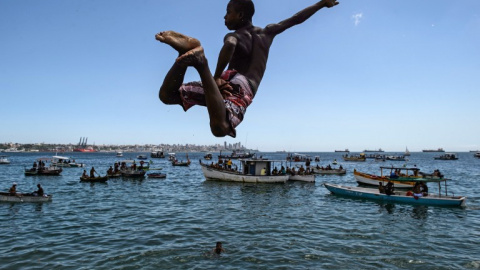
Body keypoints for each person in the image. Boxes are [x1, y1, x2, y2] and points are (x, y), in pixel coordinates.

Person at [156, 0, 339, 137]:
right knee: (221, 128)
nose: (224, 16)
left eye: (228, 12)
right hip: (242, 86)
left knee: (168, 95)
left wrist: (217, 77)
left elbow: (230, 44)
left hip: (225, 79)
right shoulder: (267, 32)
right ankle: (200, 63)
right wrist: (322, 3)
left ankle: (184, 56)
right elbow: (295, 19)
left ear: (241, 15)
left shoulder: (234, 35)